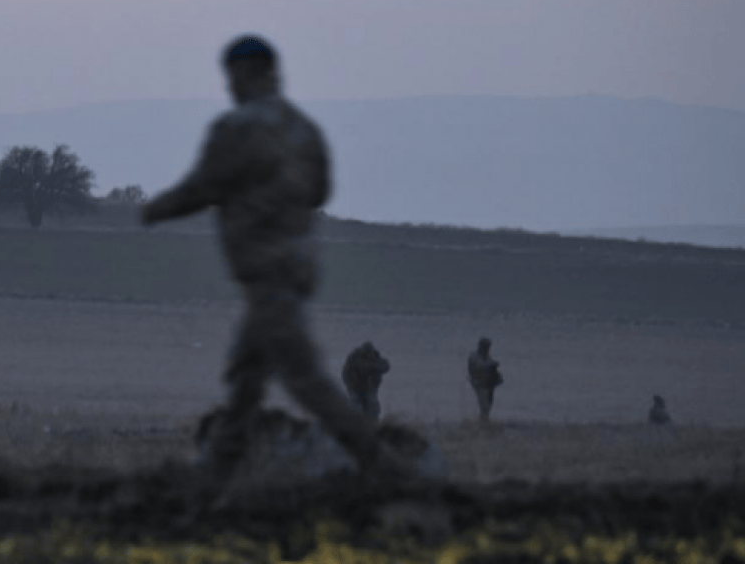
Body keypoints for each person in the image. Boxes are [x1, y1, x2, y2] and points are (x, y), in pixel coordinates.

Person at [141, 34, 408, 478]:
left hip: (265, 273)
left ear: (245, 73)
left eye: (231, 76)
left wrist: (153, 210)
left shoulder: (236, 129)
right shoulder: (305, 129)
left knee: (306, 382)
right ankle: (217, 469)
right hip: (297, 267)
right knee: (246, 379)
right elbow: (321, 190)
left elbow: (202, 187)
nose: (228, 86)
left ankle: (383, 465)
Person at [342, 342, 391, 421]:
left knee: (372, 406)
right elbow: (348, 373)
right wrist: (351, 385)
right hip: (355, 387)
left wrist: (375, 367)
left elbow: (386, 366)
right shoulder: (354, 359)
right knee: (355, 405)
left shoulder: (375, 358)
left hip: (370, 388)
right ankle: (354, 423)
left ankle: (372, 423)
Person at [466, 337, 503, 423]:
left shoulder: (486, 356)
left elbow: (489, 365)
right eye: (486, 346)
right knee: (484, 404)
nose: (487, 348)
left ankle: (484, 420)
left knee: (488, 404)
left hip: (488, 383)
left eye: (488, 347)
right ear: (481, 346)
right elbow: (478, 366)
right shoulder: (474, 356)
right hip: (479, 383)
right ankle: (483, 421)